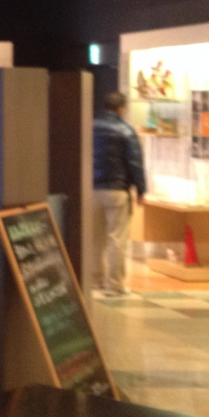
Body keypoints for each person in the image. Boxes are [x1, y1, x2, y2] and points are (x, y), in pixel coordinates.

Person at [92, 92, 147, 296]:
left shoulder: (90, 127)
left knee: (94, 238)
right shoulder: (126, 130)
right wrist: (141, 189)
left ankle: (94, 280)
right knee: (117, 238)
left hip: (91, 189)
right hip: (117, 190)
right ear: (122, 109)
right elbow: (135, 162)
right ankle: (113, 285)